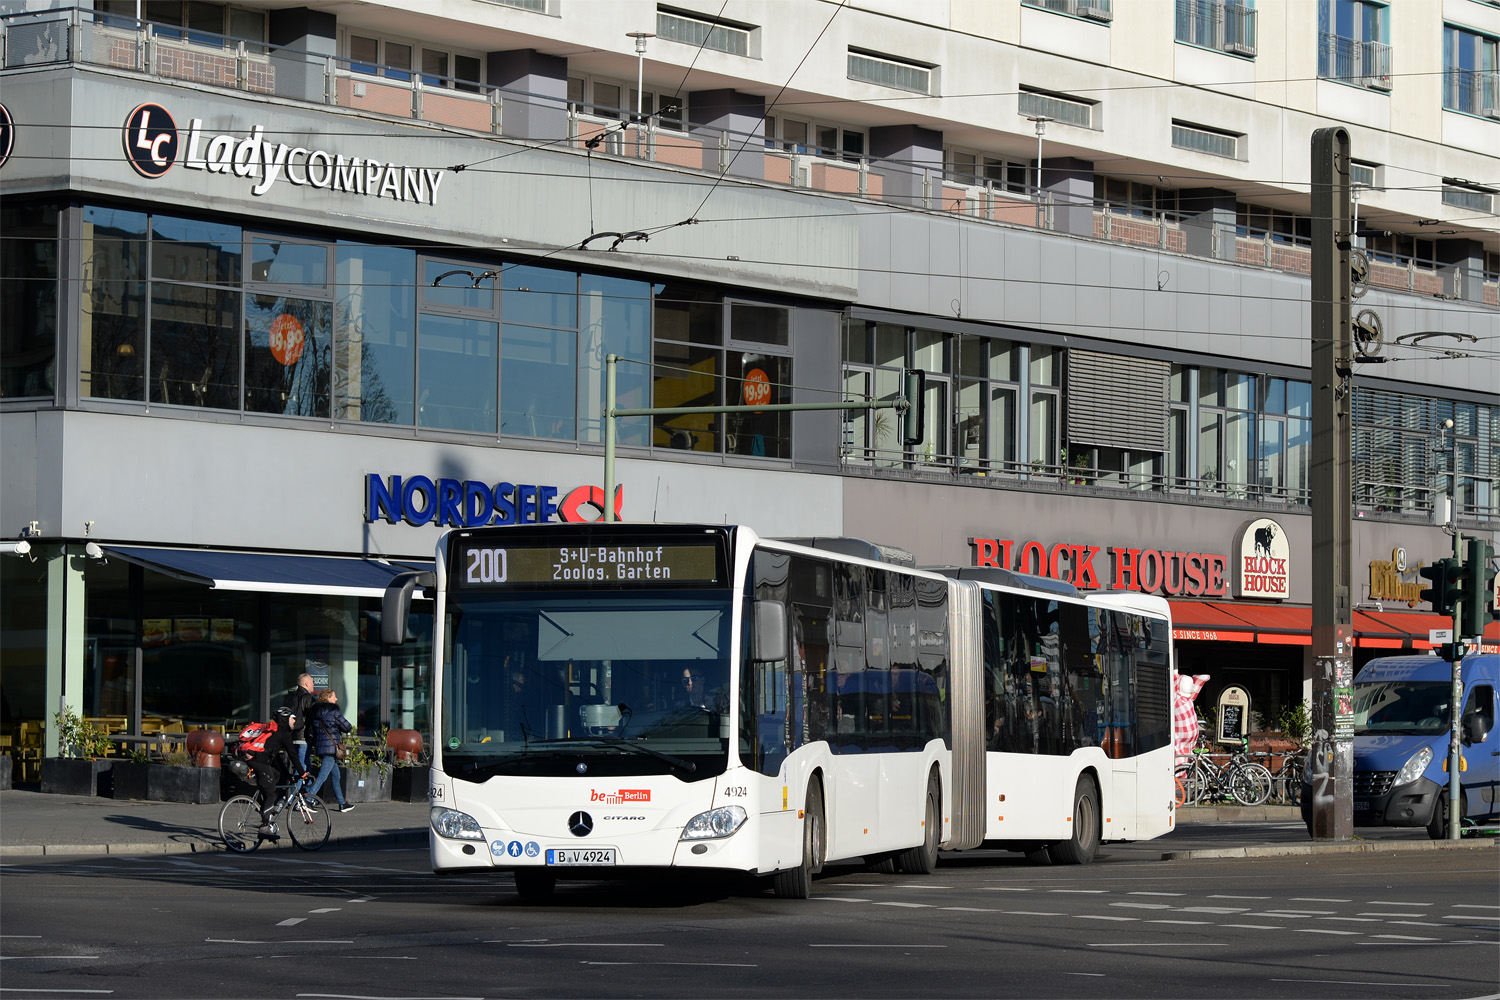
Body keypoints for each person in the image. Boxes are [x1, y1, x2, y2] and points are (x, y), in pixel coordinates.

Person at [243, 706, 309, 840]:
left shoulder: (275, 732)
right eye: (292, 718)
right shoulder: (283, 734)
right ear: (285, 718)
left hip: (256, 760)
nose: (294, 721)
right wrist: (302, 773)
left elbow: (276, 758)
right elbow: (293, 756)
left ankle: (266, 807)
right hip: (258, 762)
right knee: (271, 793)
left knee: (276, 775)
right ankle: (265, 827)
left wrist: (288, 775)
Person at [306, 688, 355, 813]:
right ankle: (308, 800)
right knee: (322, 776)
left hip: (321, 747)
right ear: (328, 698)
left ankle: (342, 803)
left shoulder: (315, 713)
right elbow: (347, 727)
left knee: (336, 775)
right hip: (331, 748)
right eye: (334, 696)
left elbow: (311, 732)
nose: (336, 699)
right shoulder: (333, 711)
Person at [282, 673, 317, 769]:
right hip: (303, 736)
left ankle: (306, 784)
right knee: (303, 765)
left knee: (301, 764)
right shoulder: (308, 698)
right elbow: (312, 717)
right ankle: (297, 784)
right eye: (311, 682)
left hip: (291, 735)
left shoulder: (290, 697)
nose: (313, 684)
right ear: (306, 684)